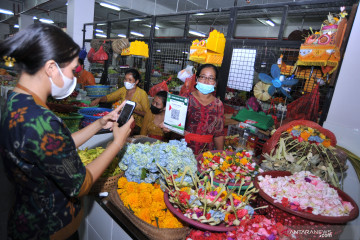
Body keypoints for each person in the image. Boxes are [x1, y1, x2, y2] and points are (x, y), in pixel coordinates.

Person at [0, 23, 134, 240]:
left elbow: (55, 147)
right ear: (51, 68)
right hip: (50, 228)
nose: (74, 77)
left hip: (26, 218)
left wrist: (99, 125)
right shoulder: (40, 119)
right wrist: (117, 142)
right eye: (73, 70)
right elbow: (81, 185)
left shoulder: (16, 100)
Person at [181, 64, 225, 156]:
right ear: (197, 79)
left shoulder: (218, 104)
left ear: (215, 82)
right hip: (184, 149)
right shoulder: (185, 99)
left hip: (207, 153)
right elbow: (174, 125)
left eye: (211, 78)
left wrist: (221, 155)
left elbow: (219, 133)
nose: (206, 81)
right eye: (203, 77)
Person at [90, 69, 150, 135]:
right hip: (122, 121)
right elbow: (110, 97)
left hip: (137, 125)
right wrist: (99, 99)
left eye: (130, 80)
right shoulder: (123, 90)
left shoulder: (142, 94)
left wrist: (131, 110)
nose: (127, 82)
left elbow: (147, 114)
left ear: (136, 81)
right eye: (125, 79)